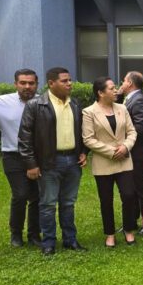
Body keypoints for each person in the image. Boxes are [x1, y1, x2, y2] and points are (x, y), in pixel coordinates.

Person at [18, 67, 88, 256]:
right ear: (51, 83)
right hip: (49, 162)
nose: (69, 84)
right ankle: (48, 242)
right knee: (48, 204)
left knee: (68, 203)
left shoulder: (75, 103)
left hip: (73, 161)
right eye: (64, 81)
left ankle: (70, 240)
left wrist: (83, 152)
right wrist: (31, 164)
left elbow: (82, 131)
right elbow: (25, 137)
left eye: (70, 80)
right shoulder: (36, 105)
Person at [82, 77, 138, 248]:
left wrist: (126, 147)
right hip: (103, 162)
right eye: (112, 88)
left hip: (124, 161)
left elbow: (132, 132)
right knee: (106, 200)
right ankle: (110, 234)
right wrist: (112, 152)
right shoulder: (88, 112)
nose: (116, 90)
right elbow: (88, 139)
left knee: (129, 195)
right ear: (100, 93)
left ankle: (129, 230)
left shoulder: (122, 108)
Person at [0, 68, 42, 248]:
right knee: (20, 194)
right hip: (13, 156)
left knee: (37, 196)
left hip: (38, 156)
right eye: (23, 83)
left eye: (31, 83)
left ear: (37, 84)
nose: (27, 86)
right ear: (15, 84)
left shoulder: (43, 102)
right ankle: (16, 233)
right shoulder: (0, 103)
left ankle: (34, 234)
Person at [118, 70, 143, 234]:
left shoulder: (139, 101)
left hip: (137, 153)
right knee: (130, 189)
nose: (122, 83)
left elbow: (140, 127)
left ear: (130, 83)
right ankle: (131, 221)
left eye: (124, 80)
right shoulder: (129, 99)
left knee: (140, 188)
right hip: (130, 152)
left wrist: (122, 139)